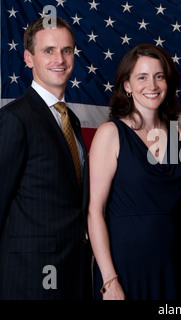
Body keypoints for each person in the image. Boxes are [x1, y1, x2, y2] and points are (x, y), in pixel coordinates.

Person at [88, 43, 181, 300]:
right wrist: (109, 280)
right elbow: (94, 211)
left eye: (159, 76)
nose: (152, 85)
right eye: (142, 77)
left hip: (171, 264)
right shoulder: (110, 134)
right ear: (127, 85)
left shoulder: (179, 136)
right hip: (125, 267)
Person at [0, 17, 91, 299]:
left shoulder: (70, 120)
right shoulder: (14, 118)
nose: (59, 59)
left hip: (72, 268)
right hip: (29, 275)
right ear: (29, 58)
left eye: (66, 50)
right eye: (48, 50)